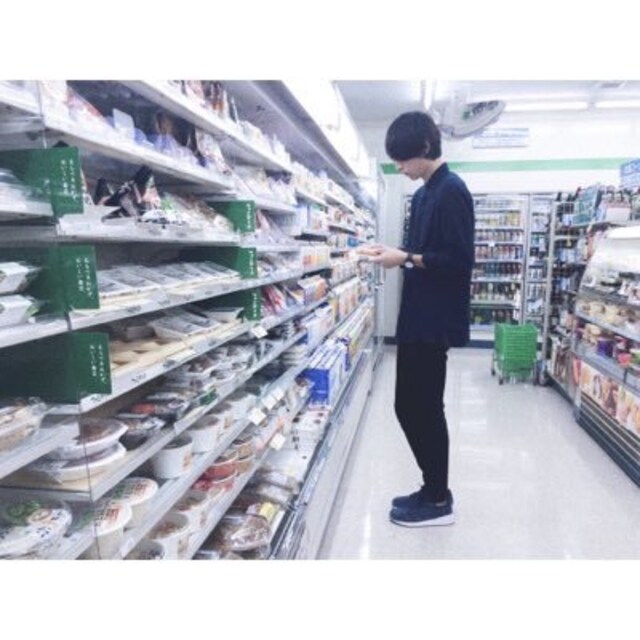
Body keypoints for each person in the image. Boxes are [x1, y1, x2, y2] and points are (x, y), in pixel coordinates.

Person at [363, 111, 474, 527]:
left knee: (423, 407)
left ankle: (438, 499)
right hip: (417, 317)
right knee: (408, 405)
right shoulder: (426, 192)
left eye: (402, 158)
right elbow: (421, 252)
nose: (398, 167)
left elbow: (459, 261)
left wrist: (405, 258)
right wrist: (391, 253)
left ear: (425, 148)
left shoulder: (452, 191)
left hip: (434, 321)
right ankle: (431, 488)